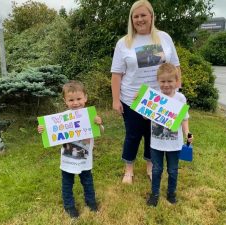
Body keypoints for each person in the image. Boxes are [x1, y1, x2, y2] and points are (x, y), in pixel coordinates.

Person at [111, 0, 181, 184]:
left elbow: (176, 67)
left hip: (159, 99)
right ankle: (128, 169)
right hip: (131, 98)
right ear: (131, 19)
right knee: (133, 135)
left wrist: (176, 94)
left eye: (143, 15)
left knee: (153, 134)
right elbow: (116, 75)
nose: (140, 19)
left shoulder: (164, 38)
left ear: (151, 16)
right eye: (136, 16)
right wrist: (116, 100)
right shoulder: (123, 43)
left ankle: (150, 166)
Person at [37, 80, 104, 218]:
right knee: (67, 184)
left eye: (79, 99)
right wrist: (42, 129)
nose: (75, 103)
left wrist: (99, 123)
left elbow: (100, 131)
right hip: (67, 159)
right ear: (65, 101)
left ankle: (91, 204)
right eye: (71, 100)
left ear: (85, 97)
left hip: (85, 160)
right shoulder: (62, 118)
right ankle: (69, 207)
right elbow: (51, 132)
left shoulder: (90, 115)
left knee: (87, 182)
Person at [146, 63, 193, 207]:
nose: (166, 85)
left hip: (175, 143)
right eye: (163, 81)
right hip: (156, 142)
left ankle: (171, 194)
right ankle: (154, 195)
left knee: (172, 170)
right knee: (156, 169)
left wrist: (187, 133)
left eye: (170, 81)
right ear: (158, 81)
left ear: (177, 81)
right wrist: (142, 104)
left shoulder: (180, 98)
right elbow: (146, 117)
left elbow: (184, 119)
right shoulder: (154, 97)